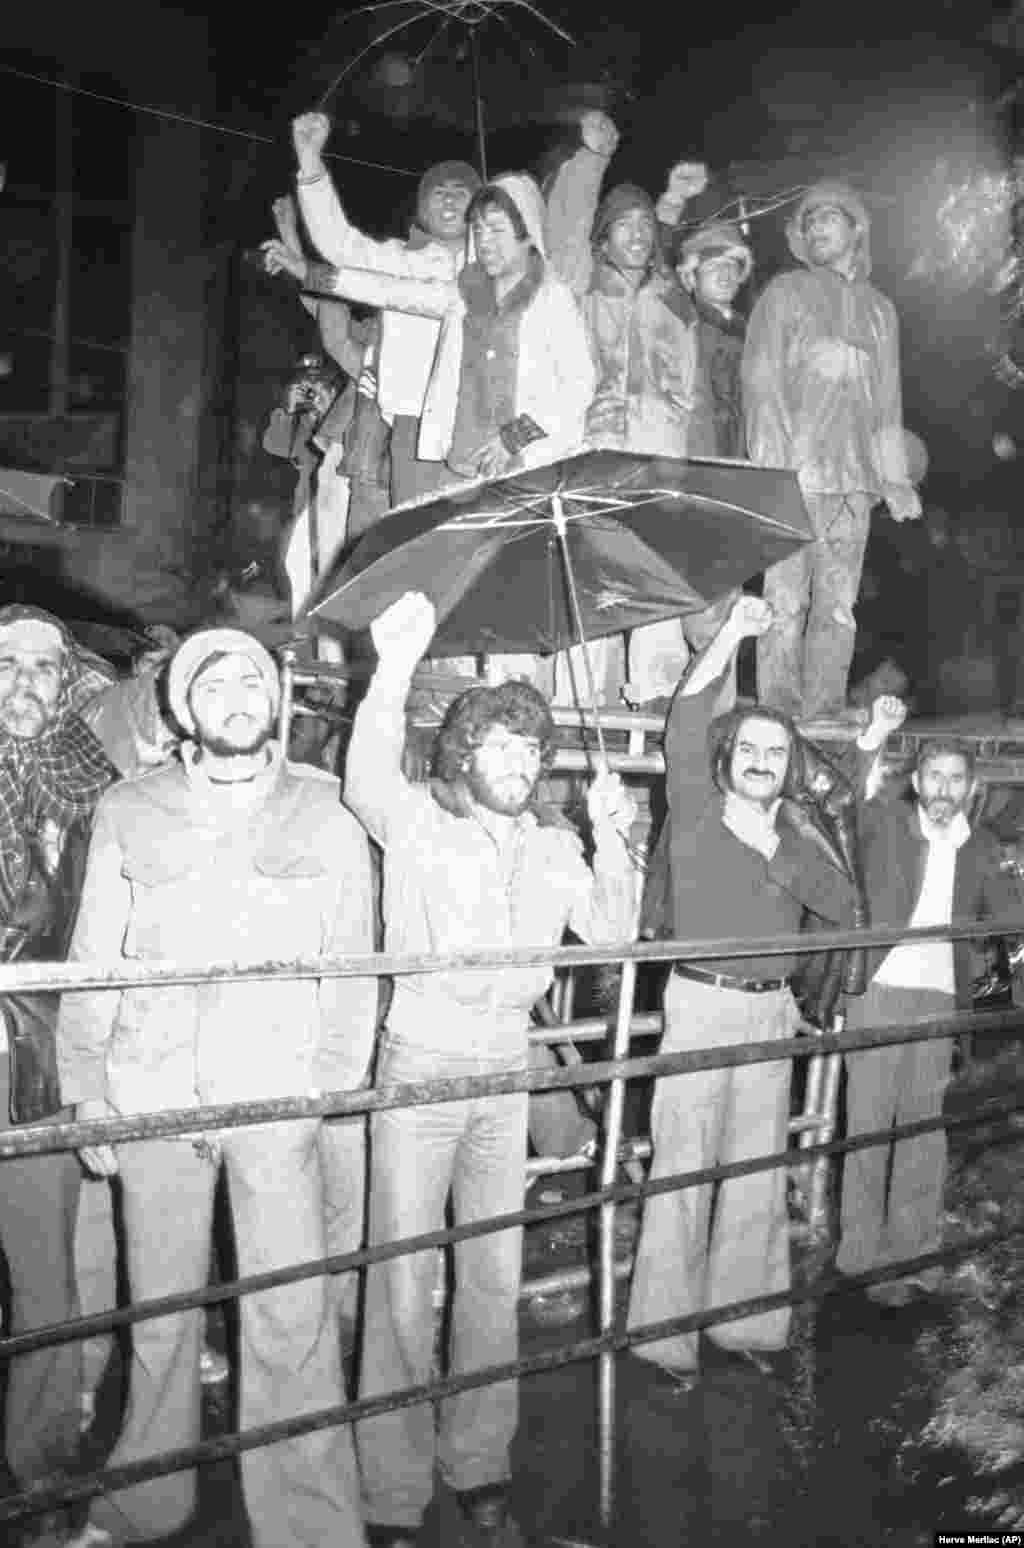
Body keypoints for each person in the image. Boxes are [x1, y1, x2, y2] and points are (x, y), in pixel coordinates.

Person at [57, 628, 376, 1548]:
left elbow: (354, 968)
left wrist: (323, 1090)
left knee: (292, 1316)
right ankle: (142, 1503)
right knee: (159, 1319)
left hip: (276, 1098)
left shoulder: (328, 815)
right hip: (151, 1090)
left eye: (252, 679)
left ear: (275, 700)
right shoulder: (130, 807)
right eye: (215, 681)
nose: (237, 694)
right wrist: (86, 1087)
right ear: (180, 706)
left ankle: (312, 1525)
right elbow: (93, 957)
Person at [345, 590, 637, 1548]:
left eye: (529, 747)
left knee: (490, 1276)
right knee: (397, 1283)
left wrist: (613, 835)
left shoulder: (555, 846)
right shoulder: (418, 824)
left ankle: (476, 1460)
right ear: (463, 756)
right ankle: (389, 1485)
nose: (518, 761)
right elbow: (362, 780)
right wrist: (394, 665)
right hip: (421, 1063)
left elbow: (615, 931)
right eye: (497, 745)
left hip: (506, 1071)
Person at [627, 595, 859, 1384]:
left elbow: (839, 904)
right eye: (749, 746)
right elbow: (687, 715)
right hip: (699, 1004)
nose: (761, 758)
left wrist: (778, 853)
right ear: (727, 758)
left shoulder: (799, 832)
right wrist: (730, 633)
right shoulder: (692, 805)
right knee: (683, 1171)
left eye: (775, 751)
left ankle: (748, 1325)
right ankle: (662, 1339)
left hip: (771, 1011)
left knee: (756, 1172)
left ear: (789, 769)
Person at [0, 606, 118, 1548]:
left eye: (45, 666)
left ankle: (37, 1484)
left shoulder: (89, 788)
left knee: (46, 1286)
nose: (25, 681)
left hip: (34, 1065)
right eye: (6, 663)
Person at [838, 728, 1024, 1305]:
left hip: (941, 998)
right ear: (916, 783)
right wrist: (871, 739)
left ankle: (915, 1250)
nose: (944, 788)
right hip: (880, 990)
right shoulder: (887, 826)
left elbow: (1010, 917)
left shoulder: (981, 847)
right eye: (934, 776)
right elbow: (847, 799)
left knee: (925, 1127)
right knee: (870, 1124)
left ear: (972, 788)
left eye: (956, 779)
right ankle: (862, 1257)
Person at [742, 181, 922, 721]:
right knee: (784, 603)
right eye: (809, 222)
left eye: (828, 219)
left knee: (839, 607)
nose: (817, 228)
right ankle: (775, 711)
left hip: (854, 483)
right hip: (795, 474)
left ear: (857, 228)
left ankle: (821, 707)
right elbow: (760, 383)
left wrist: (894, 480)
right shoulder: (785, 293)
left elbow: (887, 403)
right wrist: (773, 471)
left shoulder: (880, 311)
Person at [278, 111, 481, 506]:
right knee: (418, 544)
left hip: (481, 421)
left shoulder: (495, 267)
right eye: (439, 192)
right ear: (423, 207)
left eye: (462, 191)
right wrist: (310, 162)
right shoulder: (399, 259)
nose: (451, 198)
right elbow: (340, 247)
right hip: (413, 425)